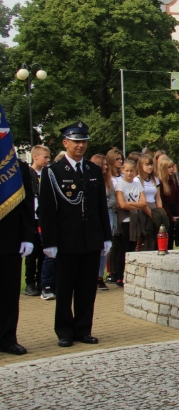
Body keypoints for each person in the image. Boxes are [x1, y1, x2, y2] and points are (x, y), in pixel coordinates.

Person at [39, 121, 112, 348]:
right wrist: (49, 241)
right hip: (66, 239)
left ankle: (83, 329)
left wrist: (106, 236)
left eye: (83, 141)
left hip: (90, 238)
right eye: (75, 141)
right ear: (65, 143)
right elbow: (47, 210)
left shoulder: (92, 170)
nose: (80, 145)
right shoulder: (53, 171)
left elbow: (101, 206)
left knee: (86, 287)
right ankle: (64, 331)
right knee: (65, 287)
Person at [0, 140, 36, 355]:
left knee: (9, 292)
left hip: (10, 239)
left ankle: (7, 338)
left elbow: (27, 204)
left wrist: (27, 237)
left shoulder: (19, 168)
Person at [23, 145, 50, 297]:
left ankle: (42, 280)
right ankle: (29, 283)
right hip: (32, 218)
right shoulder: (28, 173)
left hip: (44, 218)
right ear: (35, 157)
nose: (47, 160)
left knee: (42, 251)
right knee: (31, 253)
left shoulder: (48, 173)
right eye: (45, 157)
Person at [115, 159, 147, 280]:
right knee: (124, 248)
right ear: (123, 171)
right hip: (125, 219)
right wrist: (136, 204)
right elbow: (122, 205)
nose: (129, 173)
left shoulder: (137, 183)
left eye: (132, 171)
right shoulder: (120, 185)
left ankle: (130, 274)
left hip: (136, 219)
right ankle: (119, 276)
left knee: (133, 247)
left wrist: (132, 204)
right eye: (127, 171)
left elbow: (144, 203)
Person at [92, 153, 116, 290]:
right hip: (95, 215)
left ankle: (100, 276)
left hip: (108, 214)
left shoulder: (108, 181)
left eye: (107, 164)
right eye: (104, 164)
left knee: (105, 247)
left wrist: (102, 204)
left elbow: (112, 199)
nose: (106, 167)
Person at [156, 156, 179, 251]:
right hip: (166, 211)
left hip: (174, 208)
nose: (171, 169)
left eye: (172, 167)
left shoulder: (173, 181)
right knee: (166, 235)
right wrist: (171, 217)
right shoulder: (160, 182)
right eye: (169, 167)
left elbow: (177, 198)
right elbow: (162, 201)